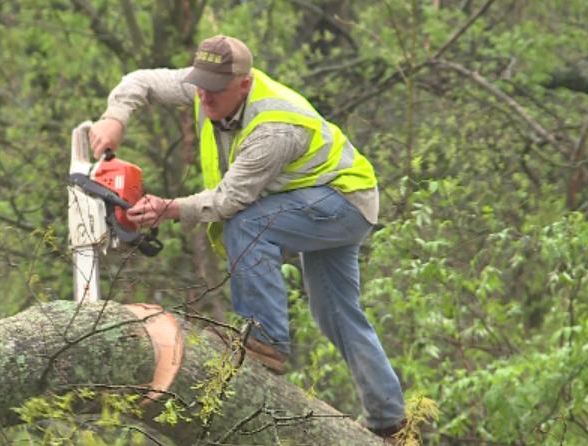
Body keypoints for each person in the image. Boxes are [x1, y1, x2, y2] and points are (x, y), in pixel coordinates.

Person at [89, 35, 406, 439]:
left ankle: (265, 340)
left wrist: (168, 208)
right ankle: (390, 421)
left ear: (244, 83)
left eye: (215, 88)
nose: (204, 96)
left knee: (247, 222)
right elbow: (141, 81)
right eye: (200, 84)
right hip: (324, 197)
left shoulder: (272, 125)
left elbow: (230, 201)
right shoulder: (207, 87)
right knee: (337, 313)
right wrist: (115, 117)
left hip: (343, 201)